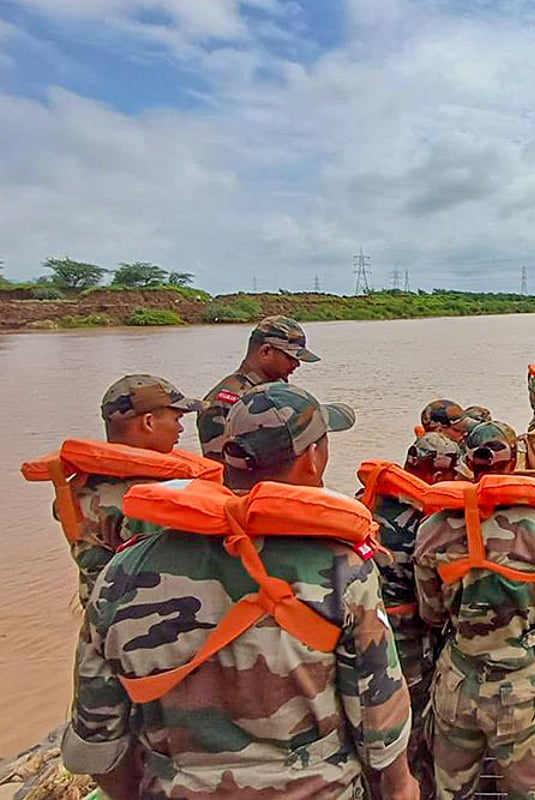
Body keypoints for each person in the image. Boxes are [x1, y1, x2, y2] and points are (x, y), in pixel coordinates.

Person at [63, 382, 418, 800]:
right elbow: (378, 718)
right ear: (313, 457)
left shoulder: (124, 569)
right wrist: (400, 786)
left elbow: (96, 737)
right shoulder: (343, 568)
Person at [414, 421, 535, 800]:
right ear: (516, 461)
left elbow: (431, 613)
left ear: (467, 465)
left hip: (456, 685)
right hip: (522, 691)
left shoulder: (433, 529)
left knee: (450, 793)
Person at [21, 374, 212, 604]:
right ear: (148, 422)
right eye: (177, 418)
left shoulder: (81, 484)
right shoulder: (147, 498)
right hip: (142, 617)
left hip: (100, 612)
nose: (181, 429)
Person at [358, 432, 463, 799]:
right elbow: (433, 605)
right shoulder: (425, 525)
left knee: (365, 729)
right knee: (412, 736)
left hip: (356, 641)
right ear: (437, 475)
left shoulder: (359, 507)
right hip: (406, 647)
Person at [197, 315, 319, 465]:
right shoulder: (223, 401)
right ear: (266, 351)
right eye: (290, 357)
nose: (297, 364)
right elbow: (224, 470)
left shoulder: (278, 389)